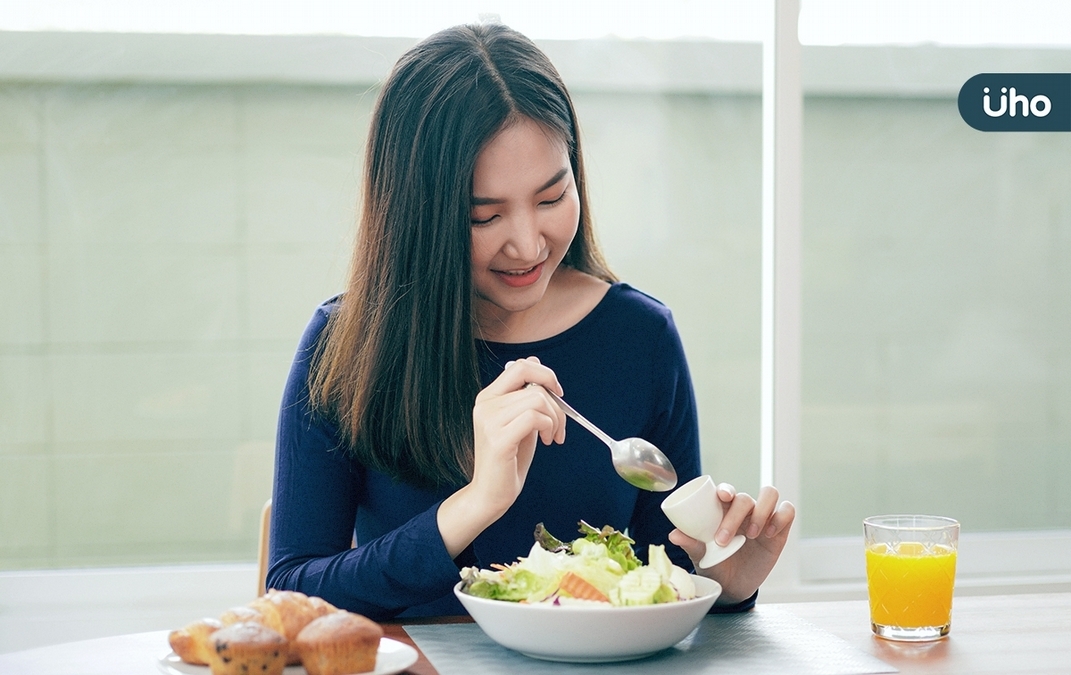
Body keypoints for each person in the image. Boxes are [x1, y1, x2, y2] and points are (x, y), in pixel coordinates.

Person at [267, 22, 794, 620]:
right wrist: (475, 503)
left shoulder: (640, 337)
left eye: (550, 198)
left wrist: (727, 585)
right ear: (417, 216)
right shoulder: (346, 345)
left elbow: (661, 581)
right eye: (483, 216)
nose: (526, 244)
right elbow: (290, 594)